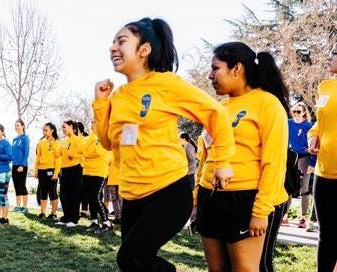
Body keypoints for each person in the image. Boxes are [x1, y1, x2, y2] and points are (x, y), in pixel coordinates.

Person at [92, 18, 236, 271]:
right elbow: (106, 142)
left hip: (168, 191)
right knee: (135, 264)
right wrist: (101, 103)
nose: (113, 47)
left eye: (121, 41)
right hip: (133, 194)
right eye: (113, 42)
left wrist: (222, 162)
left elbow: (216, 113)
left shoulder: (166, 84)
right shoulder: (118, 96)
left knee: (130, 258)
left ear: (144, 50)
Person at [196, 42, 289, 272]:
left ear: (237, 68)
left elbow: (274, 162)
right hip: (211, 197)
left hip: (245, 200)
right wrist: (198, 199)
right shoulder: (220, 108)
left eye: (215, 68)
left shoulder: (267, 103)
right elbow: (207, 156)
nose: (210, 75)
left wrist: (260, 212)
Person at [307, 43, 337, 272]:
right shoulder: (325, 86)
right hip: (324, 171)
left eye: (333, 53)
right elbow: (320, 122)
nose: (329, 58)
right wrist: (313, 135)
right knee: (326, 235)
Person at [282, 102, 316, 228]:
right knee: (288, 187)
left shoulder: (308, 126)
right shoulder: (288, 123)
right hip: (291, 158)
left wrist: (312, 163)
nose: (295, 114)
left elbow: (313, 145)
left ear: (303, 113)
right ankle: (284, 216)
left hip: (304, 158)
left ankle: (303, 219)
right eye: (294, 111)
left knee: (304, 189)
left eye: (298, 111)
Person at [82, 124, 113, 234]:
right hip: (87, 171)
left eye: (95, 124)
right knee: (91, 198)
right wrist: (92, 136)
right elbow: (82, 150)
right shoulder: (89, 138)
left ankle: (107, 223)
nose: (92, 126)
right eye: (92, 124)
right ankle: (94, 222)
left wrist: (88, 153)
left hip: (99, 172)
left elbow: (99, 152)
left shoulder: (105, 138)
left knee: (96, 197)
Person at [57, 120, 84, 227]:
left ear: (71, 127)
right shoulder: (63, 141)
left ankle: (74, 219)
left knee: (74, 194)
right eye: (62, 127)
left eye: (65, 127)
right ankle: (66, 217)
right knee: (64, 194)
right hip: (64, 169)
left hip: (75, 169)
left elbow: (83, 156)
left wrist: (74, 156)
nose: (63, 129)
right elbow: (58, 154)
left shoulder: (78, 140)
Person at [34, 122, 62, 220]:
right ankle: (42, 213)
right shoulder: (41, 142)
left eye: (46, 130)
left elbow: (58, 159)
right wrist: (36, 170)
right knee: (43, 192)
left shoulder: (57, 143)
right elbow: (38, 157)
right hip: (41, 170)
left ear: (52, 130)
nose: (44, 132)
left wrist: (56, 173)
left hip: (52, 170)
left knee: (52, 192)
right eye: (43, 130)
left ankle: (53, 213)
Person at [11, 119, 30, 213]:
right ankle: (18, 206)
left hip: (22, 166)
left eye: (18, 125)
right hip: (14, 166)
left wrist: (22, 165)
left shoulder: (25, 138)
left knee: (22, 186)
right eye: (15, 125)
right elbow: (12, 153)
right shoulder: (14, 140)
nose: (16, 127)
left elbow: (26, 153)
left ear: (23, 126)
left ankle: (25, 207)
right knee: (16, 186)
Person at [77, 121, 91, 218]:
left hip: (83, 166)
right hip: (74, 167)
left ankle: (84, 210)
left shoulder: (85, 139)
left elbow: (85, 153)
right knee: (77, 189)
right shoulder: (72, 139)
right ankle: (77, 209)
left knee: (84, 189)